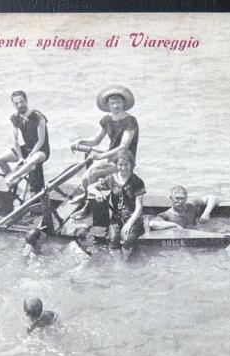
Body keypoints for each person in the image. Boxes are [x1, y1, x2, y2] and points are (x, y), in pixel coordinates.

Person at [70, 85, 139, 219]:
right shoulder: (106, 120)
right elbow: (96, 140)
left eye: (118, 102)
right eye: (112, 103)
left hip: (125, 160)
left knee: (94, 173)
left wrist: (100, 156)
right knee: (85, 177)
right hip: (111, 158)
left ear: (124, 103)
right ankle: (86, 196)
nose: (115, 106)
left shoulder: (130, 121)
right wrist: (80, 141)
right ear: (107, 104)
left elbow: (123, 147)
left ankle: (88, 208)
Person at [87, 150, 145, 260]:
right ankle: (119, 266)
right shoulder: (111, 179)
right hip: (116, 218)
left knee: (127, 240)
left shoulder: (137, 181)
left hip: (133, 218)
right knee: (113, 241)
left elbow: (139, 207)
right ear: (116, 165)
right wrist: (98, 193)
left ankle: (126, 261)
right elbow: (90, 187)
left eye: (126, 164)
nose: (123, 168)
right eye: (120, 164)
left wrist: (129, 224)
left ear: (132, 165)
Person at [0, 91, 50, 192]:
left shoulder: (38, 117)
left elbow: (41, 140)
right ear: (13, 104)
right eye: (16, 103)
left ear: (26, 101)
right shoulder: (15, 118)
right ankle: (13, 185)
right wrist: (20, 157)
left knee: (34, 159)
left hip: (41, 150)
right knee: (0, 159)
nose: (20, 105)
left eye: (22, 102)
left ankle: (13, 177)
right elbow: (15, 140)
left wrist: (29, 157)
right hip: (27, 148)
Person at [148, 186, 220, 230]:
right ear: (171, 198)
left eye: (183, 199)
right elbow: (152, 224)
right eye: (177, 198)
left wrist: (206, 212)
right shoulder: (167, 214)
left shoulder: (191, 205)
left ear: (186, 198)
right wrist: (174, 225)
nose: (180, 201)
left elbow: (213, 198)